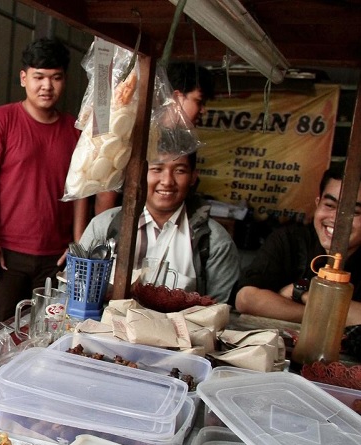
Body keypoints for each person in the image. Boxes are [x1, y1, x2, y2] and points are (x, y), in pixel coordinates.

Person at [0, 37, 87, 322]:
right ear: (24, 78)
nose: (47, 86)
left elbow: (81, 191)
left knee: (50, 331)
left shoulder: (75, 130)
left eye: (56, 78)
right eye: (39, 77)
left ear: (65, 80)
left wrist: (78, 244)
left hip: (56, 257)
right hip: (5, 254)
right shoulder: (0, 120)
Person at [80, 151, 239, 303]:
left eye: (179, 170)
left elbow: (219, 312)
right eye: (157, 169)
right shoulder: (103, 226)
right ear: (138, 173)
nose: (167, 181)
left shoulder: (214, 241)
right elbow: (75, 288)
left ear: (193, 177)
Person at [234, 167, 361, 324]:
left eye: (354, 212)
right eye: (329, 205)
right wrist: (328, 316)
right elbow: (246, 299)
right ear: (317, 203)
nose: (336, 219)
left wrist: (301, 294)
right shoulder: (288, 239)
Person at [94, 62, 215, 215]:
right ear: (177, 97)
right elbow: (106, 196)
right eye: (199, 102)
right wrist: (111, 233)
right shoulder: (136, 134)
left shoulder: (184, 142)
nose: (204, 110)